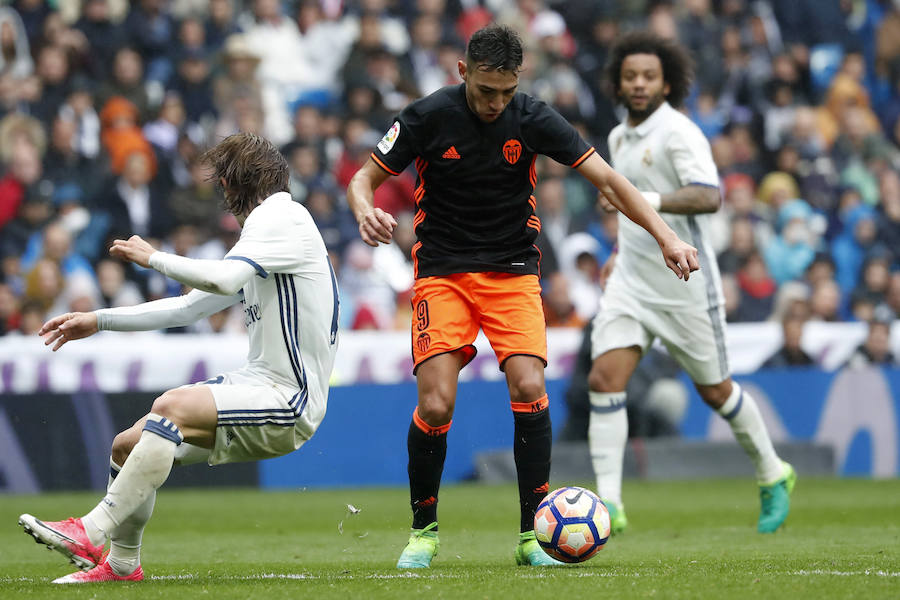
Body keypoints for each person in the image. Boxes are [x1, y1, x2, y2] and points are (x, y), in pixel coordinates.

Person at [347, 25, 699, 569]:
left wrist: (667, 236)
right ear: (463, 72)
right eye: (487, 91)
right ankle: (423, 530)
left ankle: (532, 537)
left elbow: (609, 180)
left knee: (530, 385)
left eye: (507, 92)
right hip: (443, 273)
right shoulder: (426, 116)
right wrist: (363, 208)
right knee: (436, 402)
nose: (496, 103)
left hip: (513, 272)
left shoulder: (532, 117)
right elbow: (363, 178)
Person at [18, 132, 340, 583]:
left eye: (223, 184)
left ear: (233, 183)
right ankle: (122, 564)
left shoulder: (282, 216)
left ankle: (88, 531)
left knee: (170, 406)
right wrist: (99, 320)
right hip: (259, 384)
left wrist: (154, 258)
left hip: (290, 397)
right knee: (126, 446)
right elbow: (190, 307)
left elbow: (224, 282)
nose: (222, 196)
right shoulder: (270, 229)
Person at [586, 32, 796, 537]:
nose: (638, 85)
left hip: (685, 284)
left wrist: (643, 199)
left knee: (717, 392)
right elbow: (622, 208)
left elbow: (709, 197)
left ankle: (774, 473)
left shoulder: (679, 133)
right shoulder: (617, 137)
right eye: (630, 76)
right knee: (603, 380)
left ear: (667, 83)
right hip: (632, 282)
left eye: (649, 77)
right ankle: (608, 504)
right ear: (618, 82)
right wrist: (617, 252)